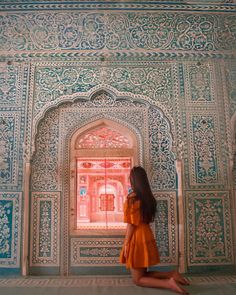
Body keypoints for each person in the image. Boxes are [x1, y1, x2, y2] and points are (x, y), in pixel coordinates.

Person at [120, 166, 189, 294]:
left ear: (133, 180)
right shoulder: (148, 197)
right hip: (146, 233)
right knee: (143, 272)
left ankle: (169, 283)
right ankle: (172, 274)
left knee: (138, 279)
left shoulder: (132, 198)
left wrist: (126, 243)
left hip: (137, 236)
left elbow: (131, 224)